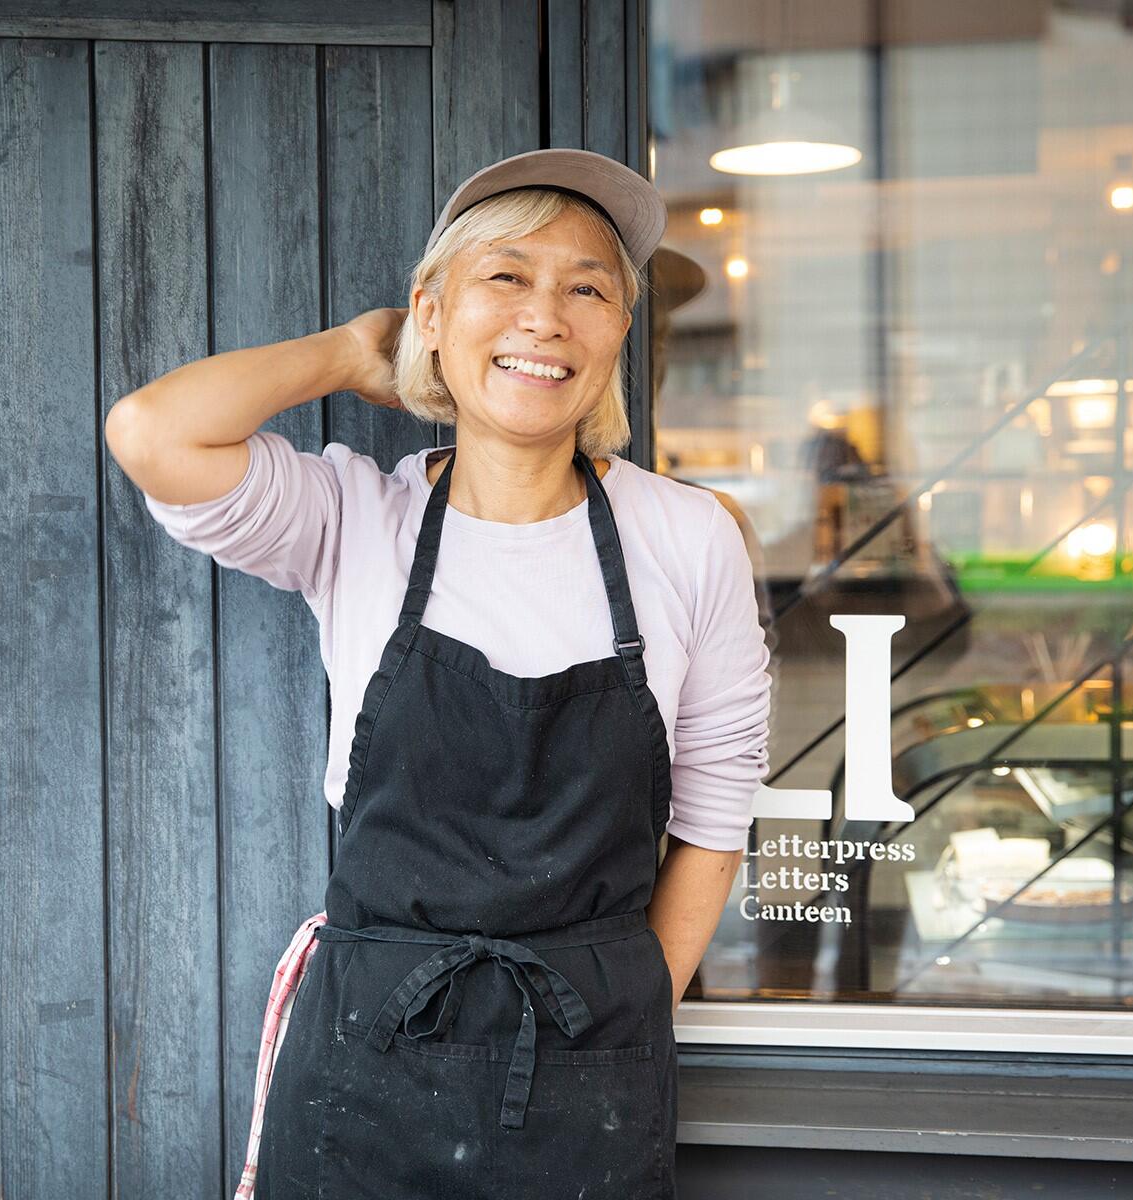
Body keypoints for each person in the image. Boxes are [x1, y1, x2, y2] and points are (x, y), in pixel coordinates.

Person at [105, 148, 771, 1197]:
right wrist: (347, 352)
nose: (545, 316)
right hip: (367, 1059)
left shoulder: (688, 537)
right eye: (505, 276)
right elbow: (151, 433)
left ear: (618, 333)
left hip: (592, 1056)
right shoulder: (356, 517)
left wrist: (636, 1001)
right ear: (433, 308)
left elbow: (720, 801)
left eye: (587, 288)